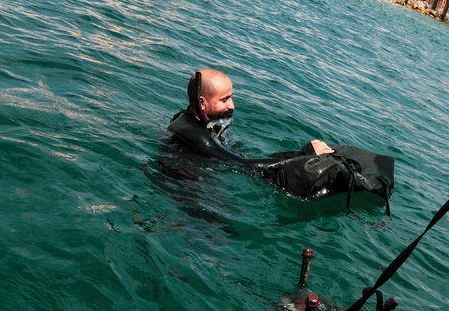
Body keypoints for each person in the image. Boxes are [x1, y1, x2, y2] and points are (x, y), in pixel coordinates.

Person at [167, 69, 394, 210]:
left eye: (232, 97)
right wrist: (303, 156)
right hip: (188, 190)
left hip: (209, 176)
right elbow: (239, 165)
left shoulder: (201, 123)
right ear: (203, 103)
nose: (232, 105)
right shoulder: (193, 134)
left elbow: (237, 157)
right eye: (224, 100)